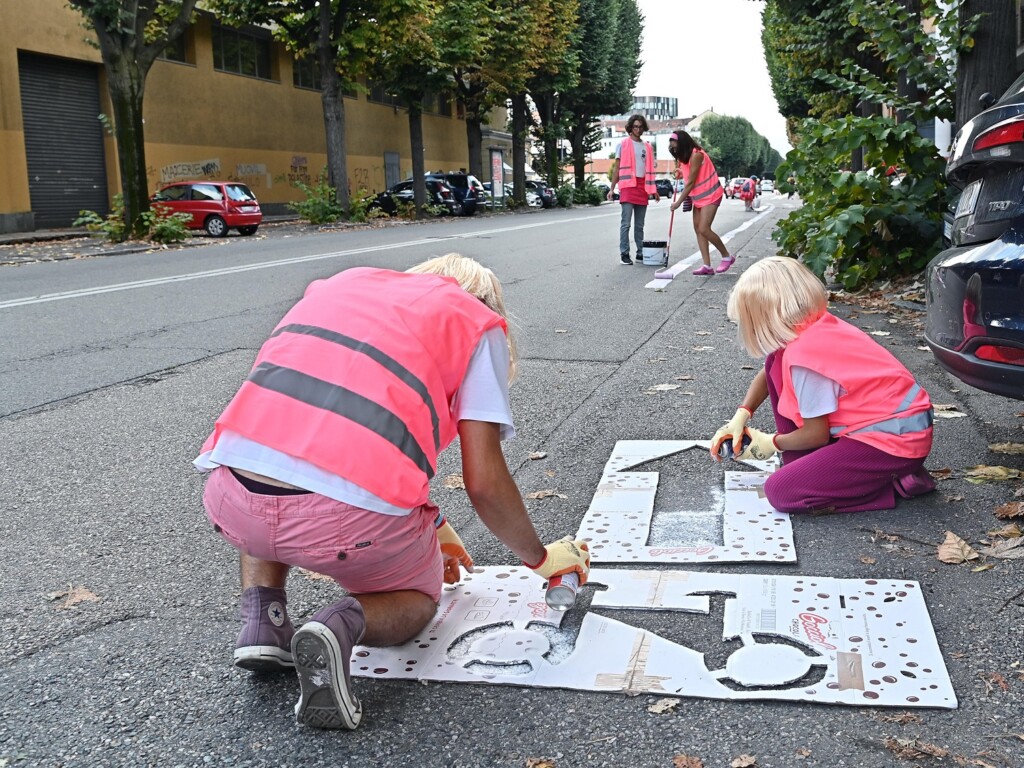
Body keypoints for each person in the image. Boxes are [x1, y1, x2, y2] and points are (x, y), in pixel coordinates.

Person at [195, 254, 591, 730]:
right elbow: (484, 483)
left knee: (272, 471)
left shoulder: (340, 288)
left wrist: (436, 527)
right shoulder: (474, 323)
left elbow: (320, 434)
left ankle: (263, 619)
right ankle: (341, 624)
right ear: (487, 304)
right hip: (342, 522)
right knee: (419, 599)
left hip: (231, 499)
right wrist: (539, 558)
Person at [710, 256, 936, 514]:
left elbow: (816, 435)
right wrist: (742, 414)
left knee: (781, 493)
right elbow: (768, 373)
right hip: (894, 431)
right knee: (774, 361)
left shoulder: (805, 361)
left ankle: (891, 484)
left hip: (891, 445)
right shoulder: (813, 327)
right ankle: (867, 473)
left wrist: (772, 442)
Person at [667, 131, 733, 275]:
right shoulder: (684, 157)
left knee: (704, 228)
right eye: (672, 148)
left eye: (675, 147)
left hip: (711, 194)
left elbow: (690, 182)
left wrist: (678, 202)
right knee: (698, 229)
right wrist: (680, 171)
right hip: (699, 197)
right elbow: (689, 174)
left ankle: (727, 256)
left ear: (683, 143)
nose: (674, 150)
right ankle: (707, 266)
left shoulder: (697, 155)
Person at [608, 114, 659, 265]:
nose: (638, 129)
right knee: (626, 223)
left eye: (640, 126)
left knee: (639, 225)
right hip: (628, 186)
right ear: (630, 127)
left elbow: (649, 169)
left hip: (643, 187)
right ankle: (624, 253)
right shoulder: (623, 144)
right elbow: (617, 168)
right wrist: (612, 188)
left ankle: (640, 252)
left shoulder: (647, 146)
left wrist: (653, 190)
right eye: (635, 126)